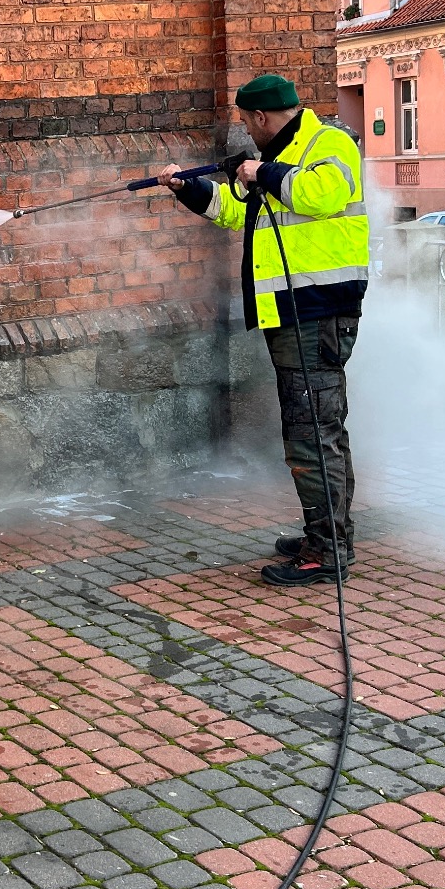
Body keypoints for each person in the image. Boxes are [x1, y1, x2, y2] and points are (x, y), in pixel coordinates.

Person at [159, 75, 370, 586]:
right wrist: (190, 189)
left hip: (317, 312)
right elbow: (240, 213)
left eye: (247, 123)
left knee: (312, 434)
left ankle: (326, 551)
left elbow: (320, 194)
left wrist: (263, 170)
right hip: (294, 312)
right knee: (317, 430)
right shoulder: (281, 158)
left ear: (260, 117)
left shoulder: (328, 143)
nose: (248, 133)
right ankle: (330, 534)